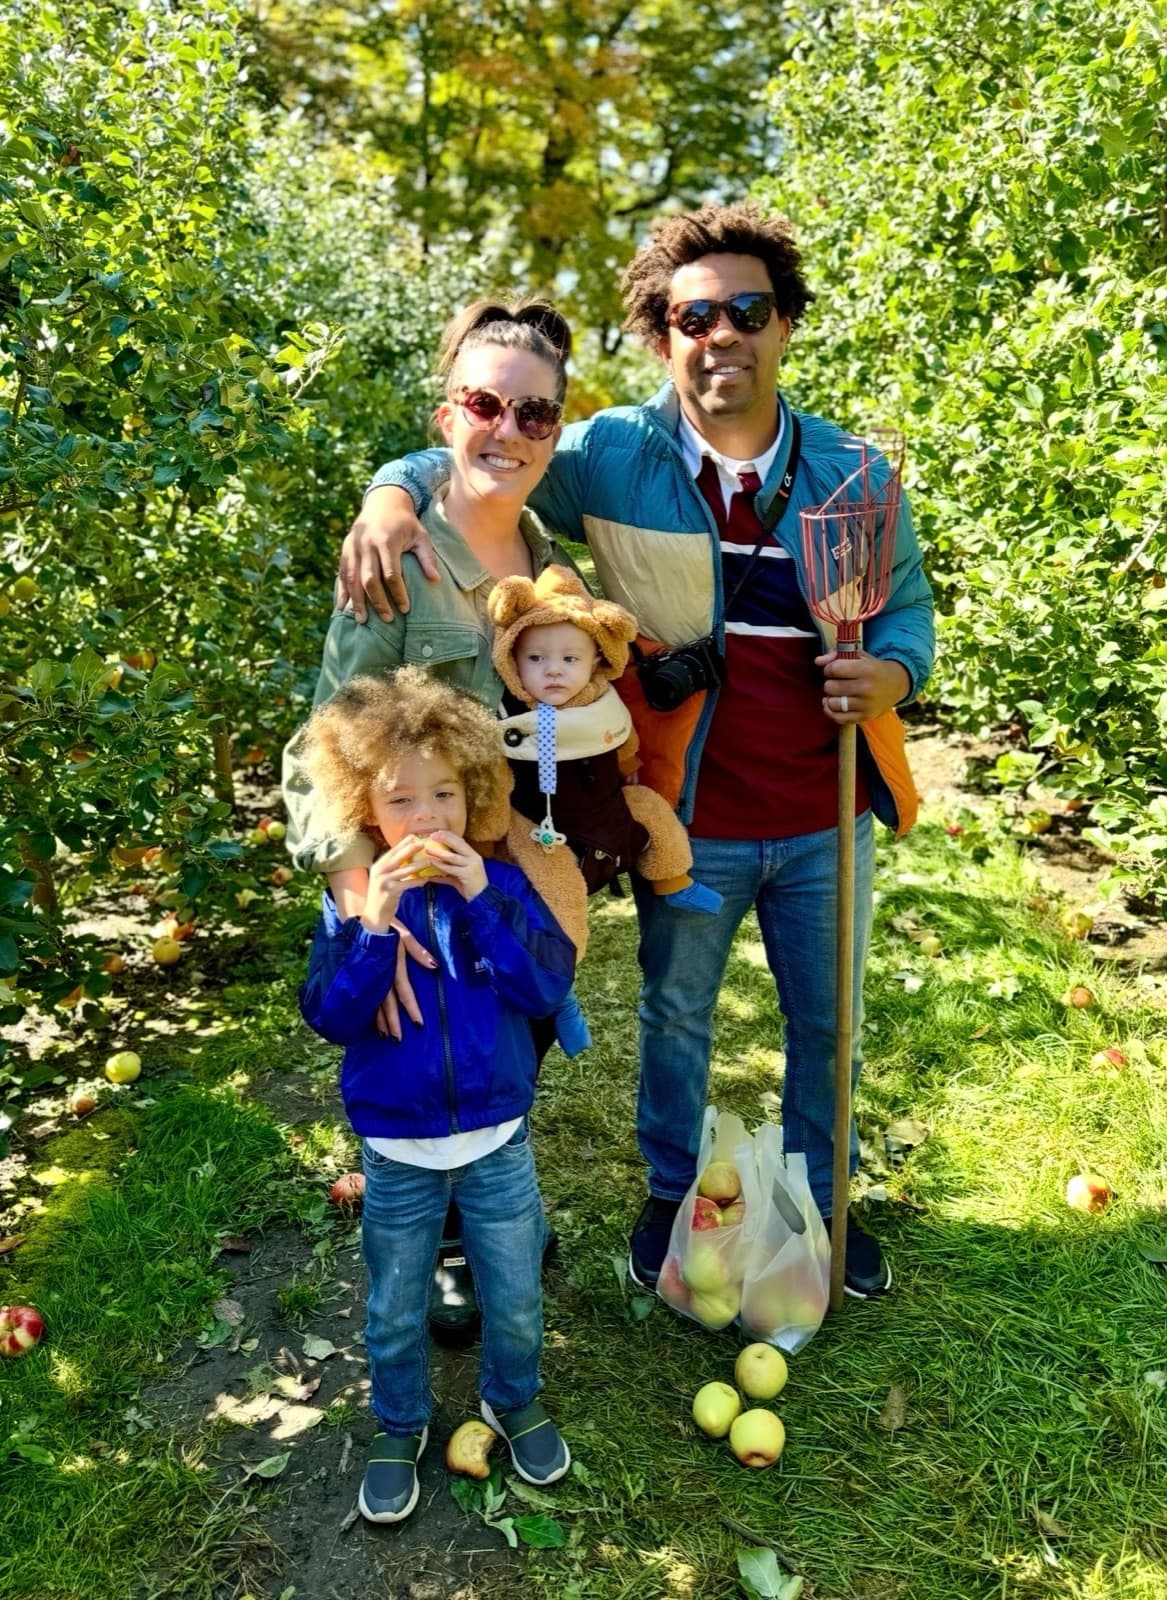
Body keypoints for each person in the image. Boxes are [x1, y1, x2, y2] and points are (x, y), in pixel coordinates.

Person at [336, 201, 936, 1300]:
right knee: (673, 1011)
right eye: (691, 315)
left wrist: (889, 673)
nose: (721, 334)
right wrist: (388, 492)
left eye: (746, 310)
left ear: (784, 325)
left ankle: (817, 1196)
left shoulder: (854, 478)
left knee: (827, 1017)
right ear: (662, 335)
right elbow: (486, 450)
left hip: (823, 812)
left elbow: (907, 615)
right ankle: (670, 1190)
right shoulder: (612, 455)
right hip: (691, 812)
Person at [284, 298, 587, 1345]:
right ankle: (453, 1244)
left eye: (534, 413)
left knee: (508, 1029)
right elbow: (330, 739)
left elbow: (546, 706)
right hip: (414, 867)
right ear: (444, 411)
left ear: (557, 426)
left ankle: (496, 1202)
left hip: (502, 858)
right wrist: (367, 898)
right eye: (482, 402)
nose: (507, 429)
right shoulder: (400, 552)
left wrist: (551, 815)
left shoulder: (547, 546)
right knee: (427, 1040)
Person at [298, 666, 575, 1522]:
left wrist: (485, 898)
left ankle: (511, 1396)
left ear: (474, 792)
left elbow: (545, 984)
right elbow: (333, 1018)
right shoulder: (352, 913)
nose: (427, 820)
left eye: (446, 795)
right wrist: (374, 929)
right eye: (403, 802)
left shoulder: (499, 887)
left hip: (497, 1139)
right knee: (391, 1303)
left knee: (517, 1292)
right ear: (365, 813)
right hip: (397, 1151)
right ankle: (398, 1423)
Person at [488, 561, 722, 913]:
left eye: (570, 659)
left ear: (595, 661)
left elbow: (620, 738)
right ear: (511, 660)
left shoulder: (602, 703)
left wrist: (629, 763)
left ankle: (673, 879)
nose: (553, 670)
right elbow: (497, 774)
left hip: (606, 806)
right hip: (541, 823)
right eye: (535, 658)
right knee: (554, 882)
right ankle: (563, 942)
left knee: (651, 809)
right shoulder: (510, 717)